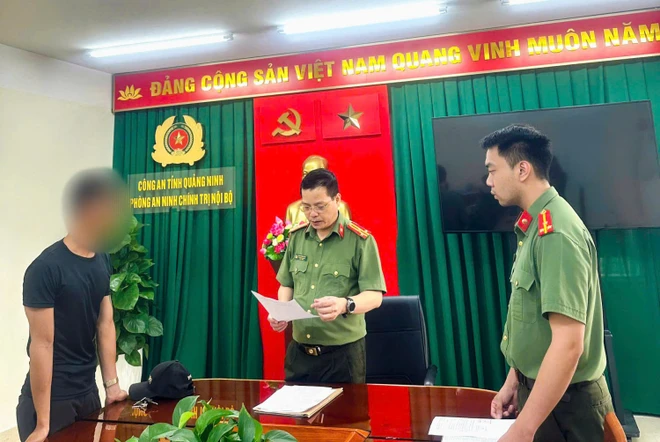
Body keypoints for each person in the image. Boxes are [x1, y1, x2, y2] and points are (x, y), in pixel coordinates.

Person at [483, 125, 612, 441]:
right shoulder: (535, 225)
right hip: (547, 397)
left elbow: (568, 345)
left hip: (567, 409)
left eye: (492, 170)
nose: (488, 181)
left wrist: (523, 429)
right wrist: (514, 381)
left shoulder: (555, 233)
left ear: (522, 169)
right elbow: (535, 328)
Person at [16, 169, 130, 442]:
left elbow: (105, 324)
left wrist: (111, 387)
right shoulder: (45, 269)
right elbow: (42, 345)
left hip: (87, 392)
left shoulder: (102, 259)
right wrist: (43, 424)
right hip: (53, 398)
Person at [271, 169, 386, 383]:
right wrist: (282, 310)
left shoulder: (359, 240)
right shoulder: (297, 237)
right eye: (306, 207)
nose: (312, 214)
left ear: (337, 200)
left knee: (346, 407)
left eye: (320, 206)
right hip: (300, 353)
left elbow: (375, 296)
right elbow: (286, 284)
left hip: (342, 356)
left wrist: (344, 304)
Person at [285, 155, 352, 225]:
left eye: (320, 206)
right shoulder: (292, 209)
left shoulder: (340, 207)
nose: (309, 178)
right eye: (305, 174)